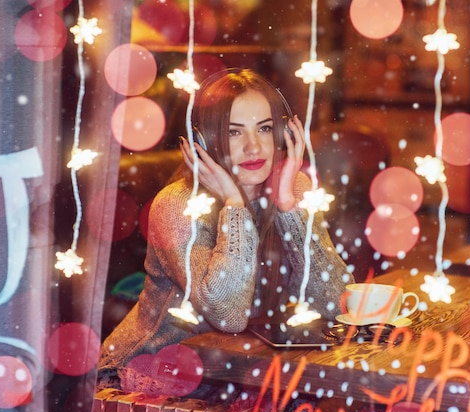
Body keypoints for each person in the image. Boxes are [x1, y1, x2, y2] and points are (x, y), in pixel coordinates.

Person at [97, 68, 354, 393]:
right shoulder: (177, 205)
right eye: (234, 132)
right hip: (152, 378)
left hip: (240, 373)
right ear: (202, 142)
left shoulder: (293, 187)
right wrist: (234, 205)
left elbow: (336, 303)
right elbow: (228, 314)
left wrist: (288, 204)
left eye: (265, 128)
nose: (253, 147)